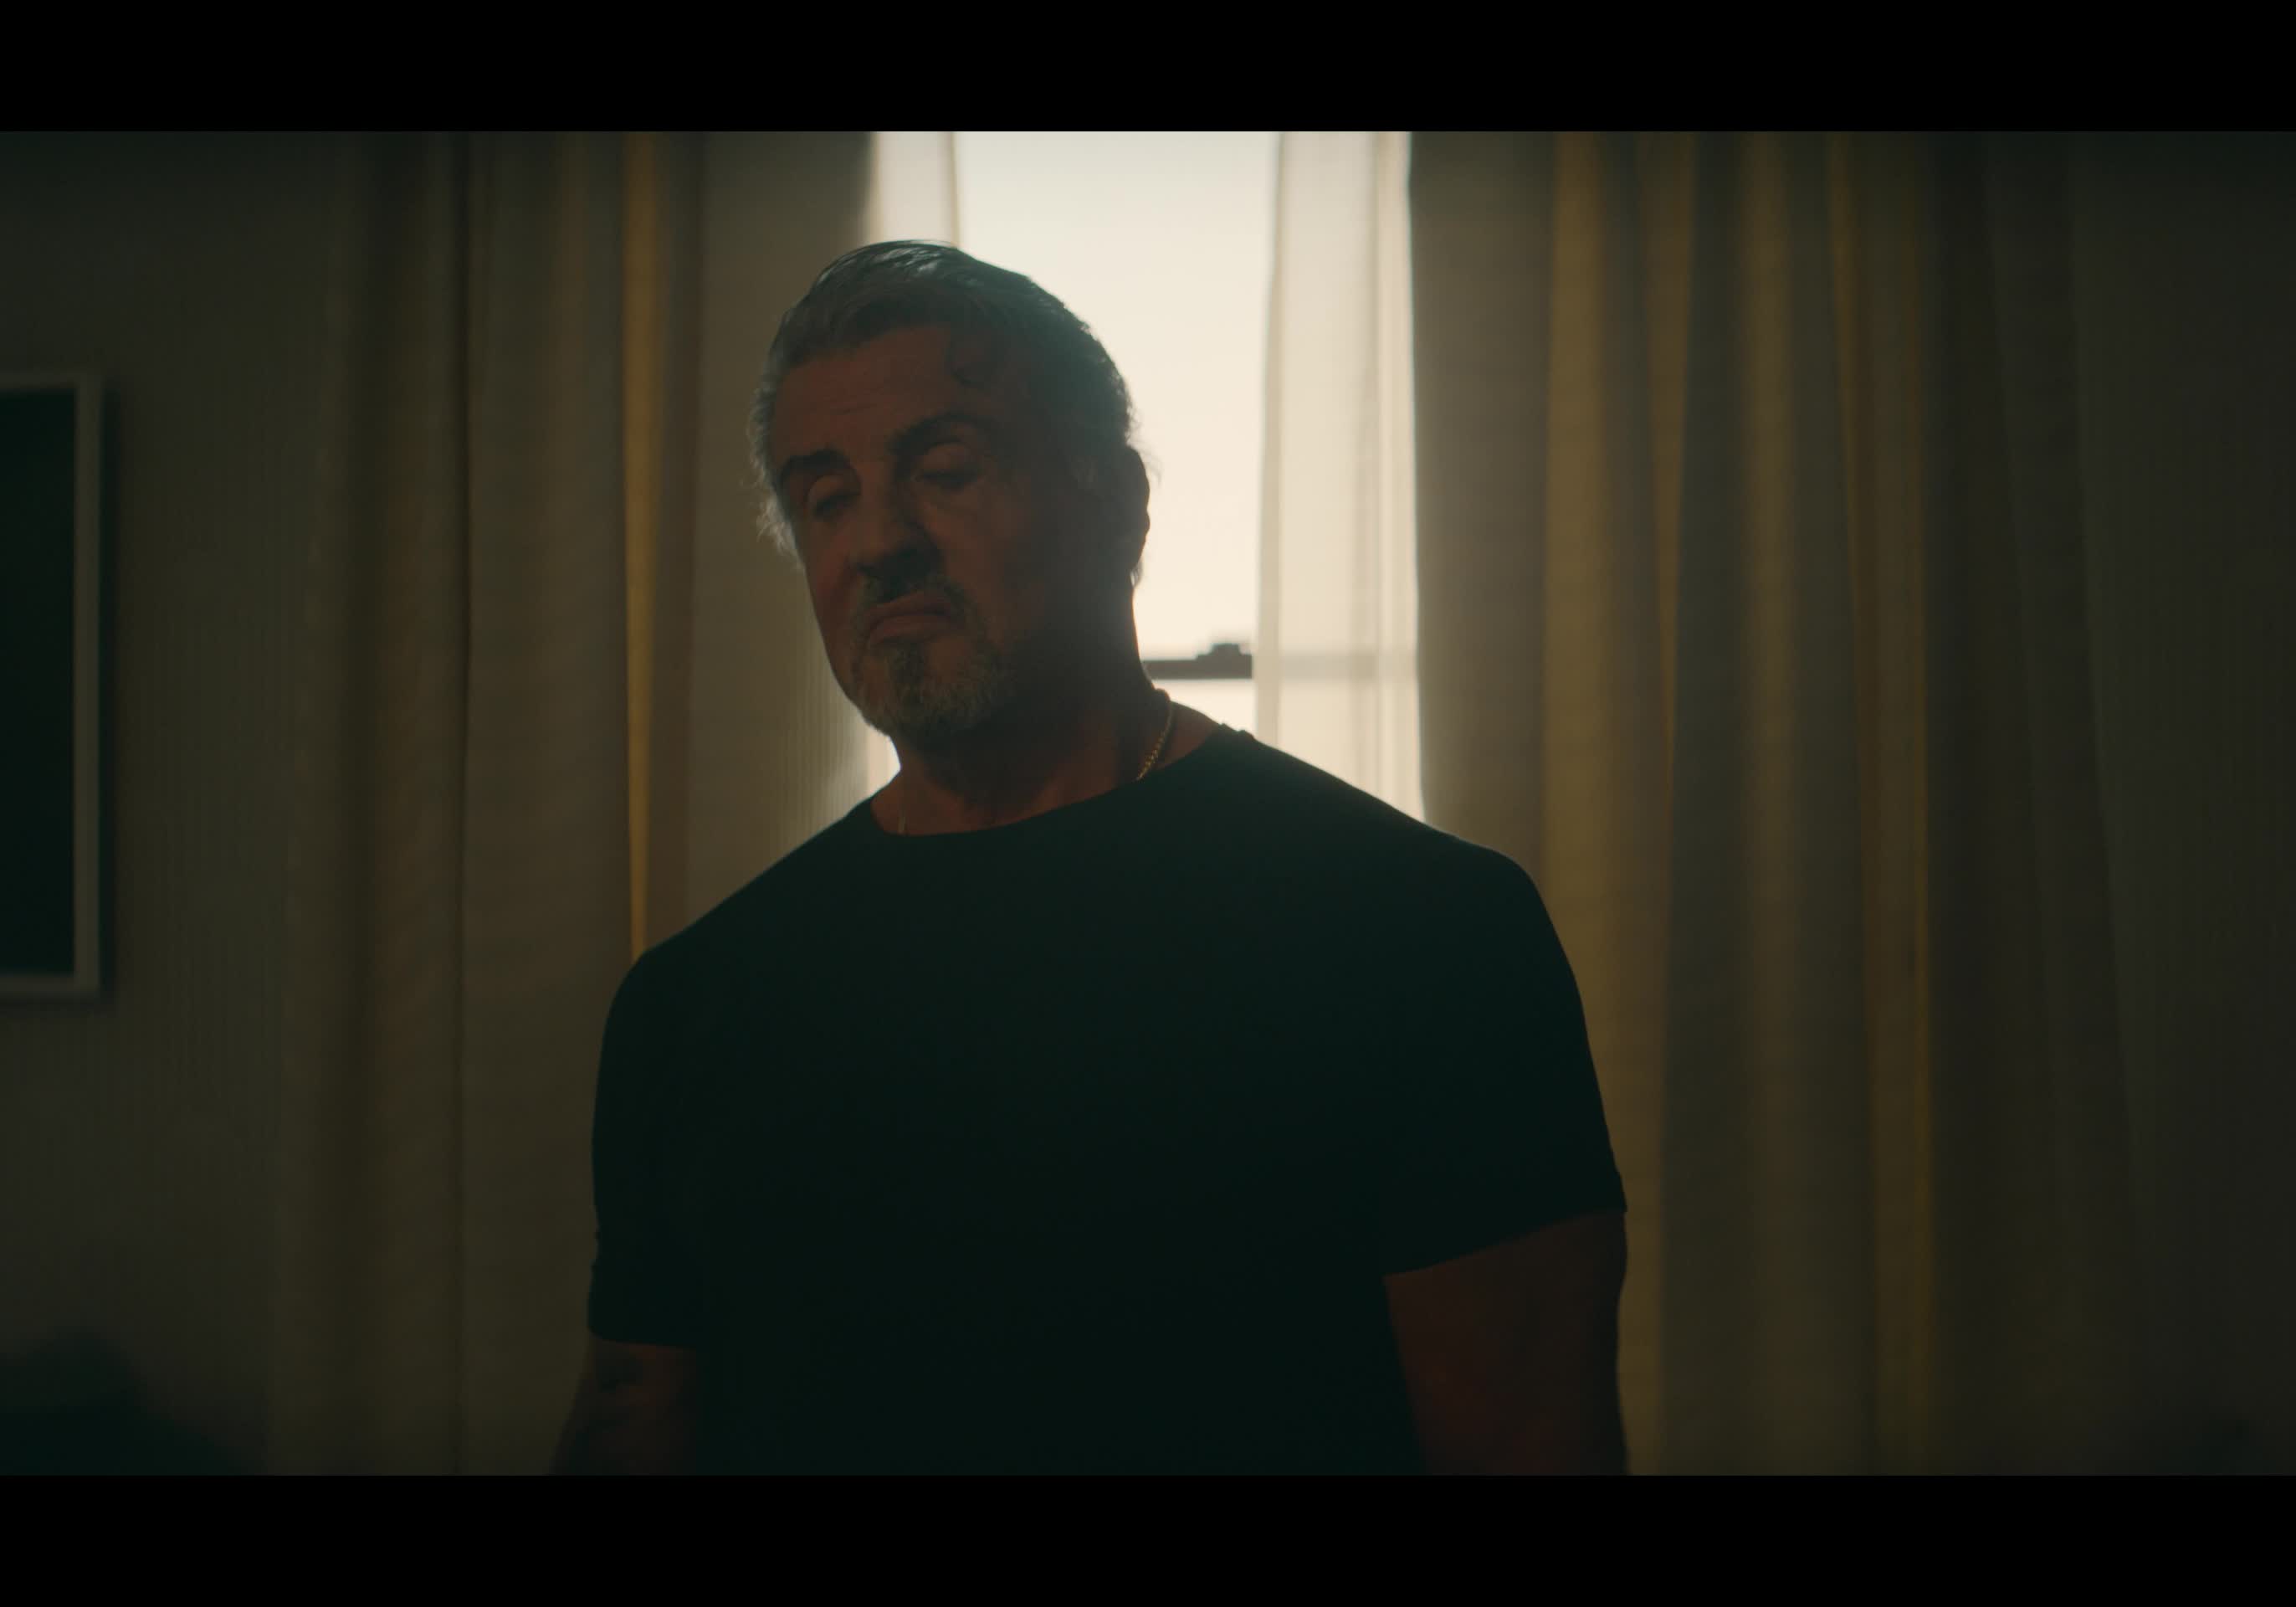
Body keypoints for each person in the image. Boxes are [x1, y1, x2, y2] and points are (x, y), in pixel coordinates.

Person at [549, 242, 1628, 1475]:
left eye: (944, 471)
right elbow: (637, 1418)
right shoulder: (693, 1003)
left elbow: (1524, 1434)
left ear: (1115, 503)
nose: (880, 540)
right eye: (827, 497)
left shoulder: (1421, 933)